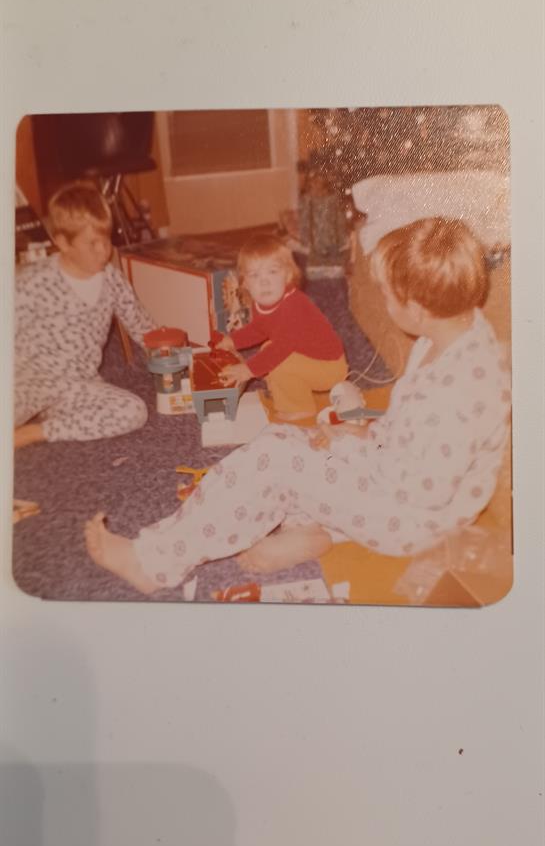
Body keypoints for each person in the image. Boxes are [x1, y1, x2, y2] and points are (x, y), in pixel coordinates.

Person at [85, 217, 511, 595]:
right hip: (396, 476)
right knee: (286, 440)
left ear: (416, 310)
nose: (385, 302)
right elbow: (410, 438)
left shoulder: (456, 395)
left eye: (387, 296)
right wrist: (362, 435)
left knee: (275, 462)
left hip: (409, 518)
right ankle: (312, 531)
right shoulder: (451, 333)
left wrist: (360, 450)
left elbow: (420, 491)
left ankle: (153, 563)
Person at [14, 181, 156, 448]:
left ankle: (32, 433)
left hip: (77, 386)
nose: (104, 250)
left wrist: (179, 359)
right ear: (62, 242)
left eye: (106, 239)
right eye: (92, 243)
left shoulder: (112, 279)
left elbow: (143, 328)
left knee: (134, 410)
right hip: (30, 381)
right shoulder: (32, 282)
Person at [215, 234, 348, 420]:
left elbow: (282, 348)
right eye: (254, 275)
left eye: (273, 272)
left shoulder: (294, 305)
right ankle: (288, 388)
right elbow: (258, 329)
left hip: (329, 367)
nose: (264, 281)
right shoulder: (260, 304)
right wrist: (233, 340)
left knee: (279, 362)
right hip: (306, 356)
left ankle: (300, 407)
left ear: (288, 275)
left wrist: (248, 370)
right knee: (267, 349)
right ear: (244, 283)